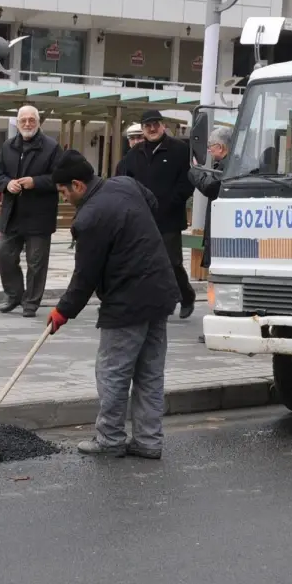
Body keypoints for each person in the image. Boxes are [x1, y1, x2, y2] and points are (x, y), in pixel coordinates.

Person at [47, 150, 180, 459]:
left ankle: (109, 439)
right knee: (149, 372)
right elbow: (153, 204)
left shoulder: (90, 217)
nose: (63, 198)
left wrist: (62, 311)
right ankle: (148, 440)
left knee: (113, 372)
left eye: (63, 191)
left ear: (77, 185)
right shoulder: (125, 184)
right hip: (160, 291)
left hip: (127, 301)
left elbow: (85, 277)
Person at [117, 109, 196, 318]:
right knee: (143, 263)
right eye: (147, 125)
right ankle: (157, 302)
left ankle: (186, 296)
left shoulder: (179, 149)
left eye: (155, 124)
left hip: (168, 219)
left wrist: (172, 202)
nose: (152, 128)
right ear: (143, 129)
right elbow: (124, 180)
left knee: (171, 263)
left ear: (163, 126)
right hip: (141, 218)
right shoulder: (135, 153)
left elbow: (187, 182)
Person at [0, 105, 62, 318]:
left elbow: (60, 177)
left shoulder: (51, 147)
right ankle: (14, 295)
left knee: (36, 262)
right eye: (24, 120)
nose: (28, 124)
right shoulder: (8, 146)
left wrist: (35, 182)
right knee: (4, 255)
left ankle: (31, 302)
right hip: (12, 213)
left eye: (32, 120)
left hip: (39, 215)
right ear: (17, 122)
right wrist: (7, 183)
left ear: (39, 122)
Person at [188, 125, 232, 343]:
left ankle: (219, 325)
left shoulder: (227, 166)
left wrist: (195, 171)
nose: (209, 151)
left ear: (220, 147)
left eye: (211, 147)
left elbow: (210, 187)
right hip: (223, 232)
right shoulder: (231, 163)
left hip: (222, 234)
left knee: (218, 282)